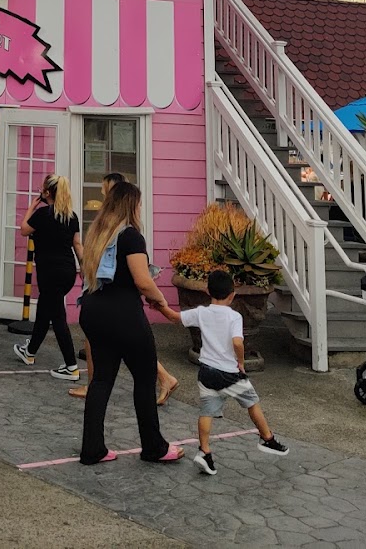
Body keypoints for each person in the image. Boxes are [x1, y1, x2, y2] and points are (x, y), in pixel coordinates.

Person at [78, 180, 183, 465]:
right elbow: (141, 280)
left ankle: (93, 449)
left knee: (100, 379)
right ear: (131, 206)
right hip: (123, 314)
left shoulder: (98, 234)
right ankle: (154, 447)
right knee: (145, 378)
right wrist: (161, 301)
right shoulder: (131, 236)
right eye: (138, 203)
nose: (140, 208)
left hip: (93, 309)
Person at [68, 172, 178, 406]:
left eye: (104, 188)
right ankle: (161, 384)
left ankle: (163, 381)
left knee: (127, 366)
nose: (101, 192)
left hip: (108, 307)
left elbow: (141, 279)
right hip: (110, 306)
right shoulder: (116, 233)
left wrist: (160, 300)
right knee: (129, 359)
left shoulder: (121, 234)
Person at [173, 270, 289, 476]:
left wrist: (159, 305)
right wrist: (241, 362)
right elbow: (237, 341)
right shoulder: (234, 316)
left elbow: (175, 317)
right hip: (230, 373)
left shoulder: (200, 312)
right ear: (232, 294)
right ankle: (267, 439)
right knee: (252, 402)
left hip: (206, 372)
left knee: (206, 411)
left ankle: (204, 451)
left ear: (208, 291)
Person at [12, 175, 82, 380]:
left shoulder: (43, 214)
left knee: (58, 318)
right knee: (45, 311)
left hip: (50, 272)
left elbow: (24, 229)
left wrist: (31, 208)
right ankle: (30, 352)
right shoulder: (72, 216)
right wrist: (84, 266)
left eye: (42, 189)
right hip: (67, 270)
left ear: (47, 193)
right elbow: (77, 244)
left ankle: (71, 366)